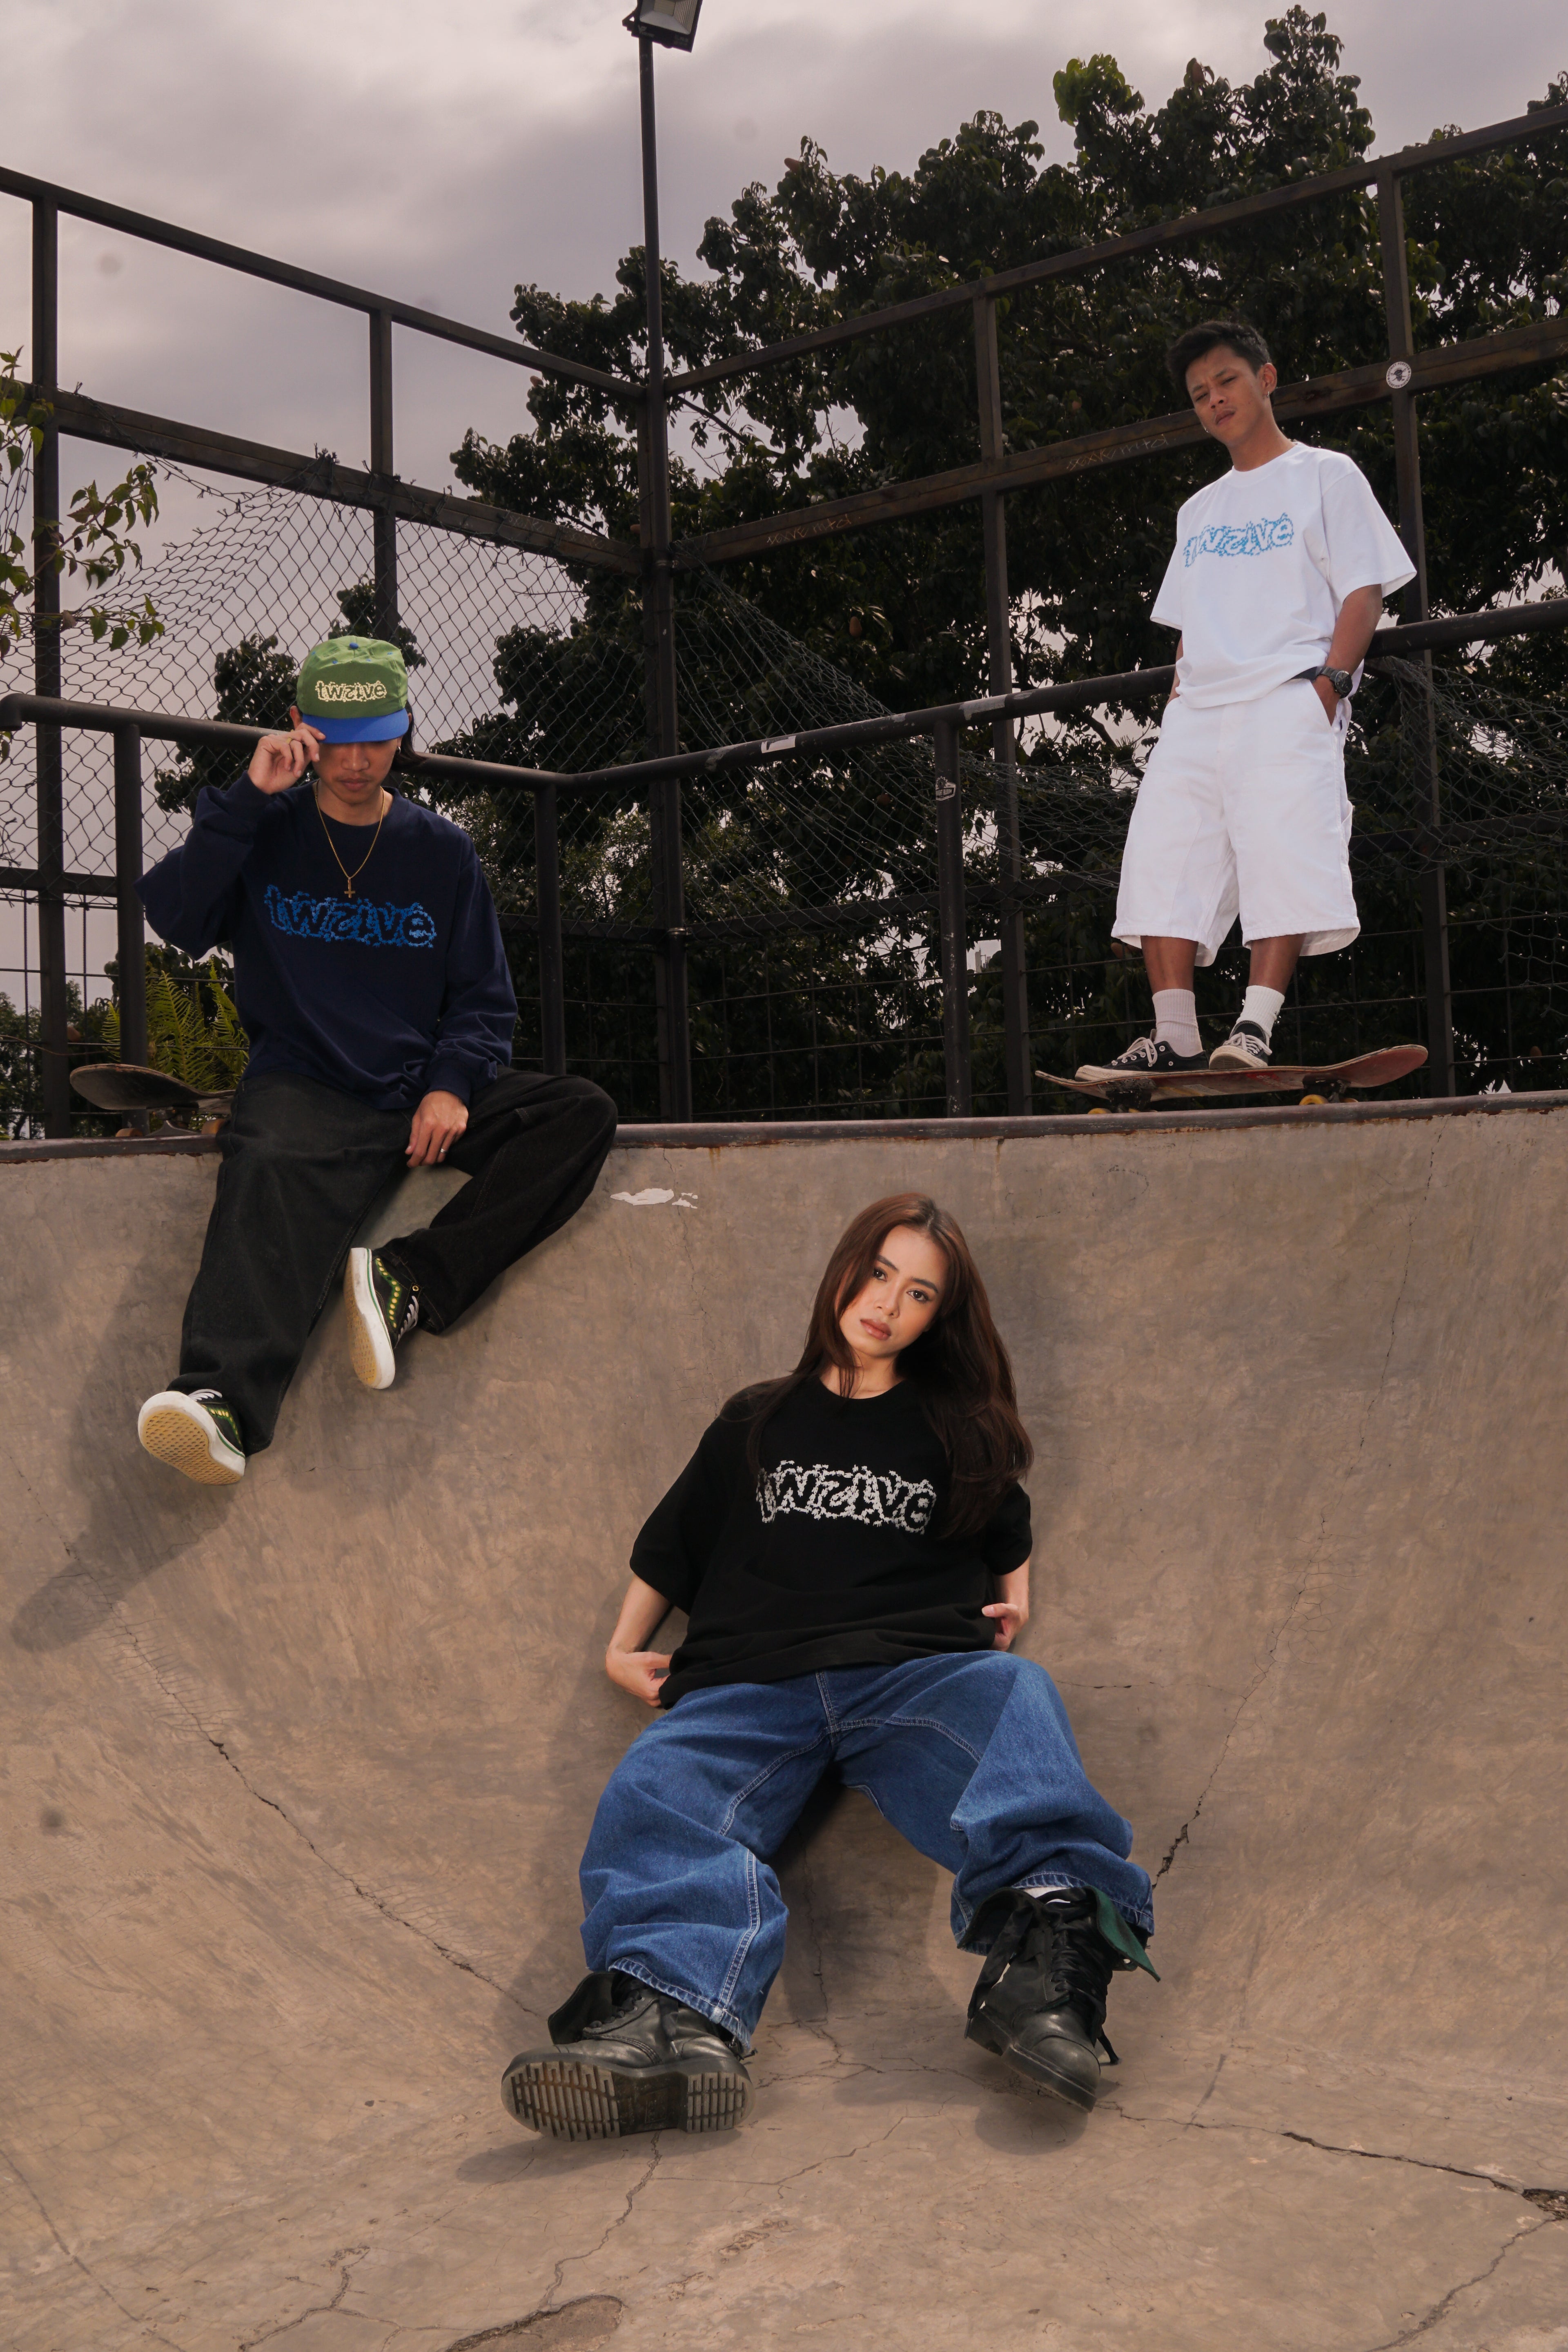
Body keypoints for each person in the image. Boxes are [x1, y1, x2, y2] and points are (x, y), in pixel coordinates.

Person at [501, 1194, 1156, 2141]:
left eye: (920, 1294)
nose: (889, 1304)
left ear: (939, 1318)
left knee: (1018, 1696)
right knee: (658, 1786)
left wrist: (1017, 1600)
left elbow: (1007, 1521)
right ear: (845, 1270)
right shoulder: (757, 1417)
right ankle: (671, 2018)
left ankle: (1045, 1982)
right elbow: (674, 1542)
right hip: (750, 1678)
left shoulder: (953, 1427)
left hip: (906, 1672)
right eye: (879, 1274)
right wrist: (618, 1645)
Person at [134, 634, 617, 1486]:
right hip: (306, 1082)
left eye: (377, 740)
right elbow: (175, 917)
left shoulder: (442, 852)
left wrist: (450, 1085)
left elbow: (483, 999)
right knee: (265, 1159)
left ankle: (409, 1283)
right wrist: (246, 799)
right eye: (338, 741)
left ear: (402, 731)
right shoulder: (263, 828)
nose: (357, 763)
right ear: (301, 729)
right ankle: (221, 1404)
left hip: (416, 1085)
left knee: (580, 1112)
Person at [1078, 317, 1416, 1082]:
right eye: (1200, 394)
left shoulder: (1327, 475)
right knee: (1161, 859)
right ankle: (1174, 1037)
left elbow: (1363, 592)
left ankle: (1254, 1028)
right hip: (1198, 711)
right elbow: (1188, 627)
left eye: (1226, 381)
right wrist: (1177, 701)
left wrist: (1330, 685)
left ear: (1266, 379)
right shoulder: (1197, 511)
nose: (1215, 400)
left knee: (1282, 849)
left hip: (1287, 695)